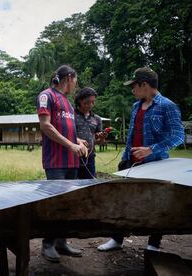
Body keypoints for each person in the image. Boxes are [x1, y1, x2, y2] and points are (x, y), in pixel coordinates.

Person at [97, 67, 184, 252]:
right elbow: (131, 135)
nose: (132, 90)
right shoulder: (136, 106)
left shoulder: (167, 106)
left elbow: (178, 136)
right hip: (131, 162)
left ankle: (153, 244)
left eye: (134, 86)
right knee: (123, 200)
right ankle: (116, 239)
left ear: (145, 85)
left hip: (156, 164)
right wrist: (125, 158)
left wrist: (150, 150)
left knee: (157, 203)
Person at [37, 65, 88, 262]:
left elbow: (67, 130)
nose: (76, 84)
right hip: (56, 162)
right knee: (56, 204)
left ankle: (61, 242)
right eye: (76, 80)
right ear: (69, 77)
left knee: (68, 204)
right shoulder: (46, 95)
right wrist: (70, 145)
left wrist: (77, 141)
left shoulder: (67, 102)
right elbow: (46, 126)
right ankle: (47, 244)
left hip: (72, 162)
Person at [74, 87, 107, 179]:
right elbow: (65, 134)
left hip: (90, 158)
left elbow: (98, 141)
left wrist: (102, 137)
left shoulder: (96, 119)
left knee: (89, 185)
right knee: (73, 186)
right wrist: (78, 140)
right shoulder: (71, 116)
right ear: (80, 101)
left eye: (93, 102)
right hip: (73, 157)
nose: (90, 105)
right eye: (87, 102)